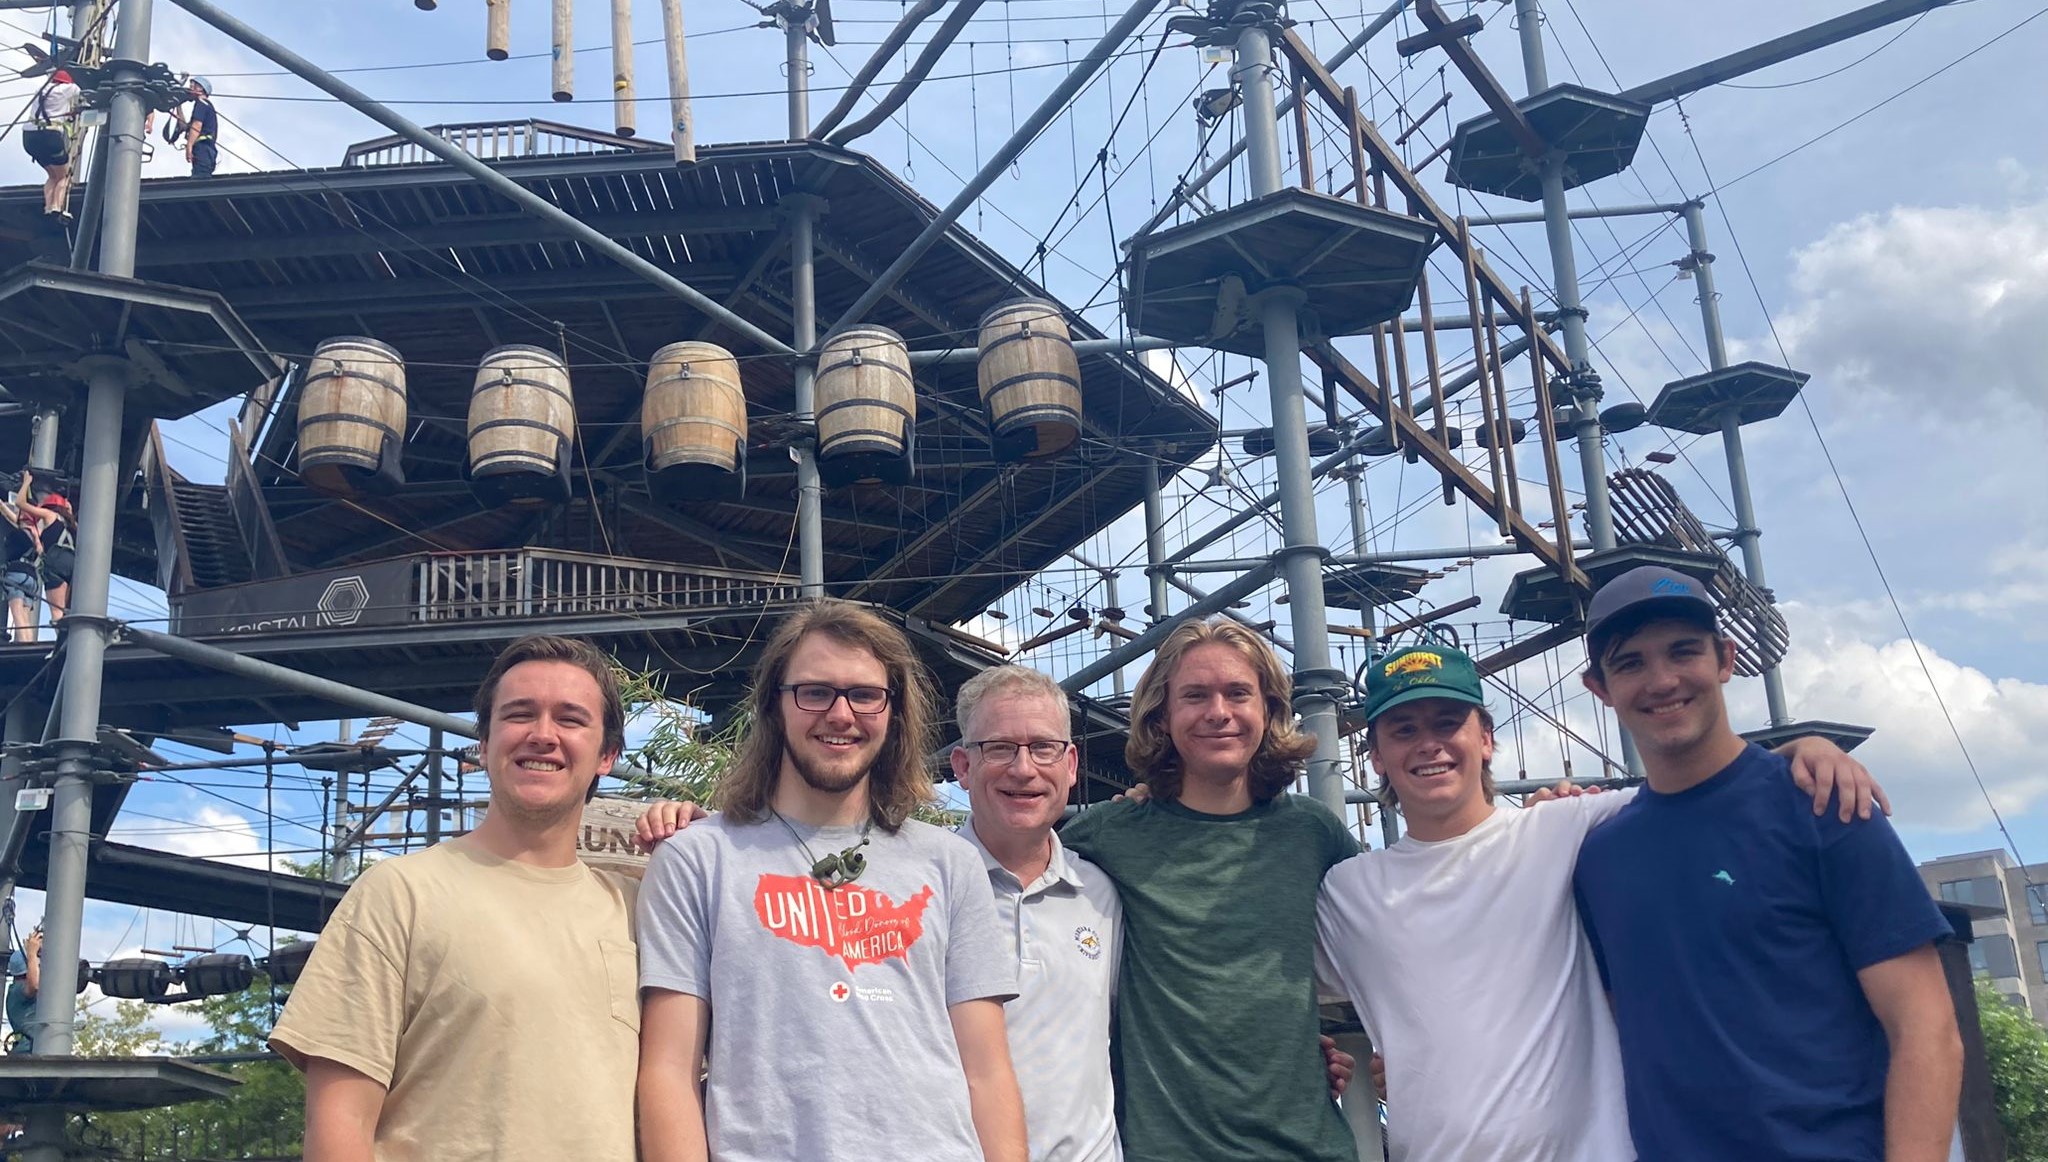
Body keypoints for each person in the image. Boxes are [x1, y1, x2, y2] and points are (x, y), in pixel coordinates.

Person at [635, 660, 1354, 1162]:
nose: (1023, 768)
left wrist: (1304, 1054)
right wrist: (704, 828)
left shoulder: (1109, 887)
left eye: (1044, 748)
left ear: (1073, 766)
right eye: (999, 748)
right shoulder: (910, 883)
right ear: (961, 768)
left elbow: (1190, 1005)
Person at [1317, 641, 1883, 1161]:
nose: (1429, 745)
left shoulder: (1569, 828)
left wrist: (1798, 752)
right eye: (1404, 730)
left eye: (1448, 723)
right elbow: (1261, 989)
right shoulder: (1348, 893)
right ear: (1375, 755)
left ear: (1486, 739)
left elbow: (1707, 787)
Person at [1573, 566, 1961, 1161]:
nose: (1663, 679)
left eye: (1684, 651)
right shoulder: (1598, 855)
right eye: (1631, 663)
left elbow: (1926, 1028)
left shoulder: (1824, 805)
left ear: (1725, 659)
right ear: (1599, 688)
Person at [635, 600, 1027, 1162]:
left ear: (894, 712)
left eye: (865, 694)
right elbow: (668, 1069)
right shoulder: (698, 858)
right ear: (775, 705)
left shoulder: (950, 863)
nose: (841, 714)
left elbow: (987, 1072)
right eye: (815, 692)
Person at [268, 634, 640, 1162]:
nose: (542, 735)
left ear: (607, 755)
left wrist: (692, 843)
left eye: (570, 719)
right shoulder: (398, 894)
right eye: (519, 715)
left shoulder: (638, 909)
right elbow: (339, 1123)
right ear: (483, 746)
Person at [1058, 618, 1358, 1162]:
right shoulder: (1105, 837)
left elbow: (1397, 937)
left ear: (1267, 708)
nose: (1218, 712)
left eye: (1238, 693)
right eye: (1195, 695)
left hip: (1309, 1147)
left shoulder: (1315, 834)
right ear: (1162, 716)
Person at [22, 70, 79, 218]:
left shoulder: (40, 89)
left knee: (52, 175)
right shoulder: (68, 89)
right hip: (50, 136)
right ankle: (56, 207)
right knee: (64, 176)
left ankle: (47, 207)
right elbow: (82, 91)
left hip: (29, 137)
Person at [5, 928, 41, 1054]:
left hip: (30, 1050)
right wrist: (32, 955)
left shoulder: (16, 989)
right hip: (27, 1052)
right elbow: (34, 986)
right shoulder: (18, 990)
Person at [184, 77, 218, 178]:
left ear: (200, 88)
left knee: (200, 177)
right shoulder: (206, 106)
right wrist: (178, 105)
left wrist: (189, 146)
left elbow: (196, 126)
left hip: (203, 148)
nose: (190, 88)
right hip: (206, 150)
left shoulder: (201, 104)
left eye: (192, 85)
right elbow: (184, 127)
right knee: (200, 174)